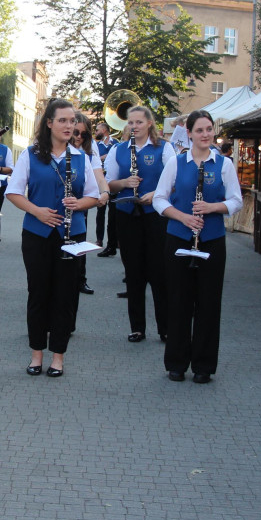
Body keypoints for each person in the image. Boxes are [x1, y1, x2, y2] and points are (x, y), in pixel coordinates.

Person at [7, 99, 99, 378]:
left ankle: (58, 356)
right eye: (63, 120)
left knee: (66, 295)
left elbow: (94, 196)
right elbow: (13, 192)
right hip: (37, 233)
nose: (69, 126)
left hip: (73, 235)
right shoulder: (30, 154)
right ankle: (36, 353)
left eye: (72, 121)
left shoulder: (83, 156)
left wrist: (79, 204)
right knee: (38, 293)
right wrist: (37, 211)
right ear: (49, 123)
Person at [153, 109, 242, 384]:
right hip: (179, 237)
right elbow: (159, 199)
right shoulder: (177, 163)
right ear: (189, 133)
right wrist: (183, 217)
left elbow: (236, 201)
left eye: (209, 129)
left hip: (212, 239)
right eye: (200, 130)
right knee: (179, 300)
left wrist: (212, 207)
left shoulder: (224, 164)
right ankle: (177, 363)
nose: (206, 134)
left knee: (208, 302)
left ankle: (204, 365)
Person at [105, 105, 174, 343]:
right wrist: (124, 182)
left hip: (155, 215)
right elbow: (109, 184)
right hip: (127, 214)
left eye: (139, 122)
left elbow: (175, 181)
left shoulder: (164, 148)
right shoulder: (118, 150)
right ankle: (137, 327)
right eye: (131, 123)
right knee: (133, 272)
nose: (134, 127)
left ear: (149, 124)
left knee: (158, 272)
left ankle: (165, 327)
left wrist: (156, 193)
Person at [71, 113, 110, 299]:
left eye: (84, 135)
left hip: (80, 202)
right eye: (75, 132)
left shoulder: (89, 149)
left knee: (80, 241)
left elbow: (99, 175)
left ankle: (80, 278)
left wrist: (105, 192)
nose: (79, 137)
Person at [94, 121, 118, 254]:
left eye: (98, 130)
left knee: (112, 214)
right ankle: (99, 239)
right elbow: (95, 159)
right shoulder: (96, 145)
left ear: (105, 130)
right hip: (101, 180)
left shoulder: (116, 144)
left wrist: (106, 157)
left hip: (113, 181)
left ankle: (113, 241)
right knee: (100, 212)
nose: (96, 132)